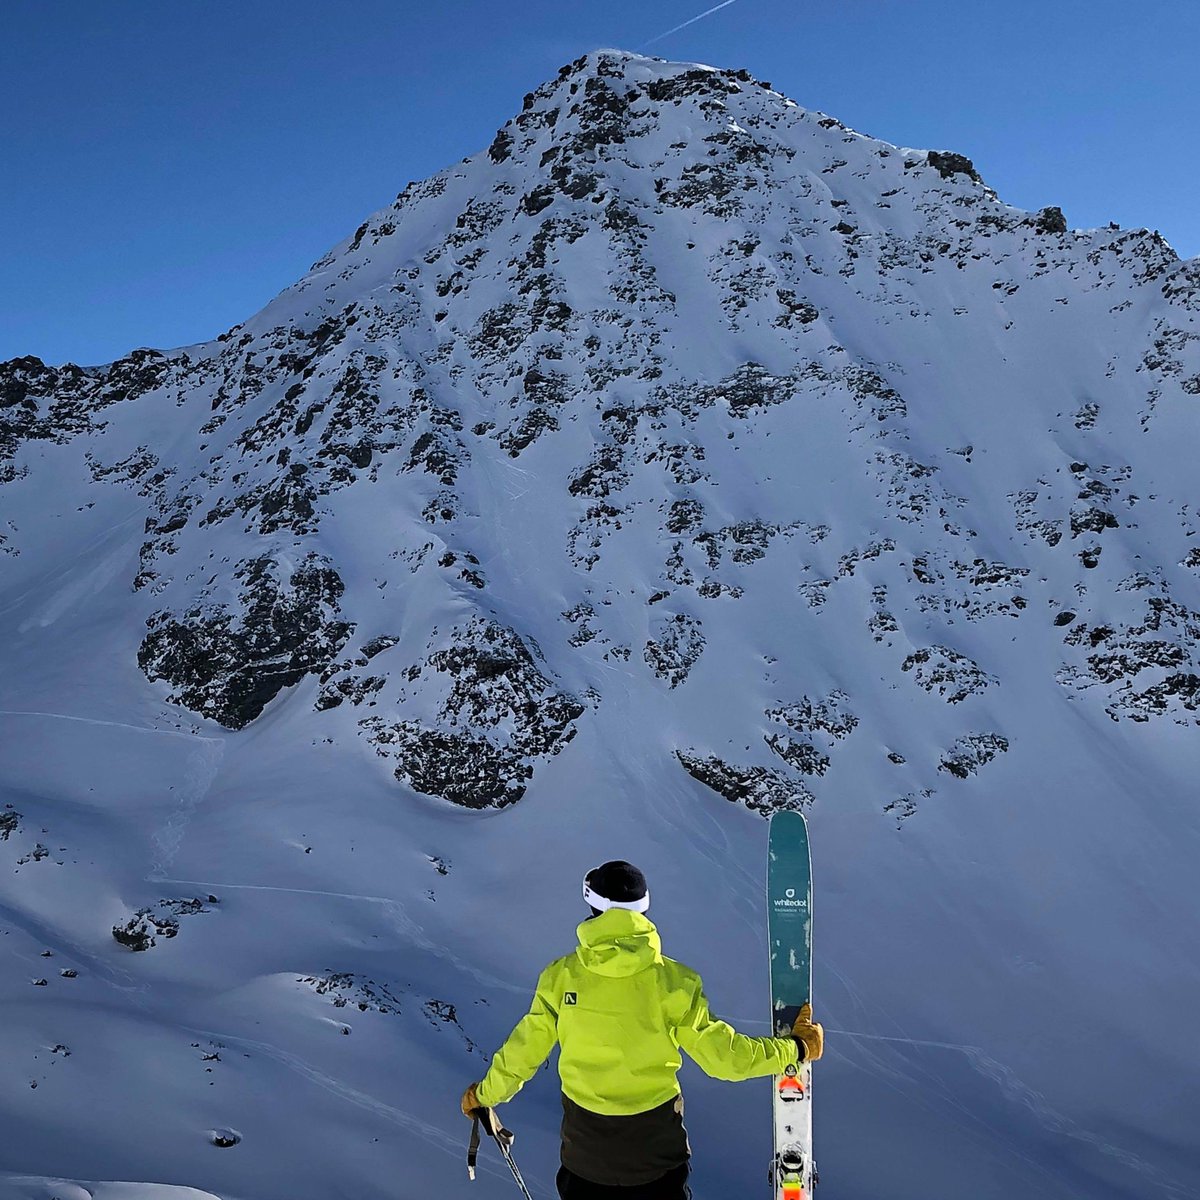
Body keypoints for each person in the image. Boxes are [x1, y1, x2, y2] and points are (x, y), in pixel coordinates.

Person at [461, 860, 824, 1199]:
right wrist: (795, 1049)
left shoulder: (560, 977)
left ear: (592, 908)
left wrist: (485, 1095)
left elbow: (522, 1054)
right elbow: (724, 1060)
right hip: (656, 1159)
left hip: (586, 1160)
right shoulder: (675, 984)